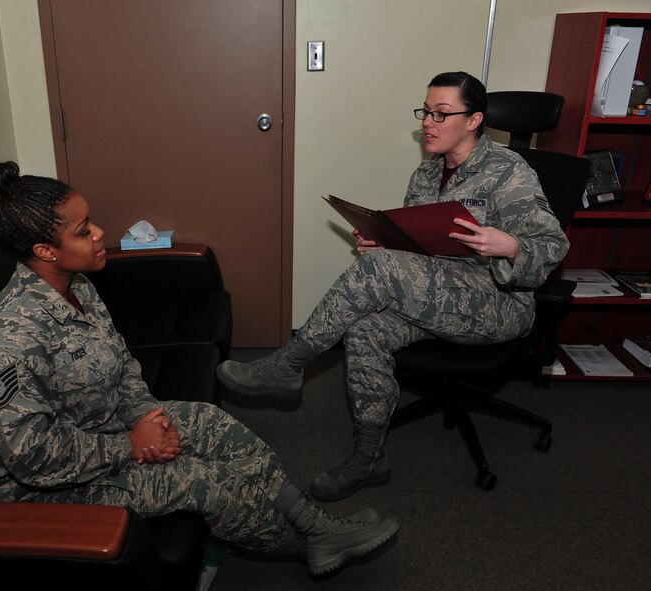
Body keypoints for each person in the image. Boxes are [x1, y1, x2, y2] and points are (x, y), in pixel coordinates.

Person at [0, 161, 400, 578]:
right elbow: (31, 456)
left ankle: (316, 526)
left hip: (101, 428)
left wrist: (150, 418)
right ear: (44, 251)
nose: (99, 234)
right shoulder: (3, 338)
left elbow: (122, 365)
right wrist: (131, 446)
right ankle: (303, 545)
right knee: (199, 479)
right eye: (83, 231)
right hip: (37, 495)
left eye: (91, 221)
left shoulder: (79, 287)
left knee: (211, 422)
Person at [217, 71, 570, 501]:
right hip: (439, 296)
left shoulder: (508, 171)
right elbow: (420, 245)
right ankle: (369, 457)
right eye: (426, 112)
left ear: (474, 120)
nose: (428, 122)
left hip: (498, 301)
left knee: (382, 270)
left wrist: (511, 244)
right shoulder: (425, 174)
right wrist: (384, 243)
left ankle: (289, 365)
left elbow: (552, 247)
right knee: (364, 331)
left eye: (442, 114)